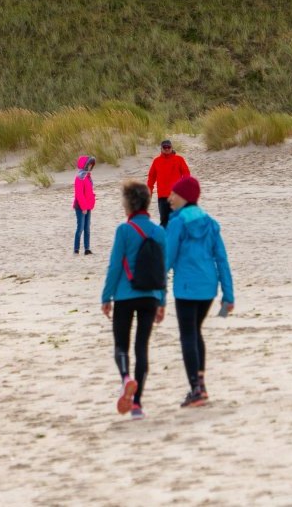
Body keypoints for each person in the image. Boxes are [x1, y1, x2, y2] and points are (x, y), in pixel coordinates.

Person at [165, 175, 234, 408]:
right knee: (195, 331)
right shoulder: (210, 222)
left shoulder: (177, 223)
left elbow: (167, 258)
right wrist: (228, 295)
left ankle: (196, 389)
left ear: (184, 197)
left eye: (173, 193)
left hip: (186, 287)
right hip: (208, 288)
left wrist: (156, 288)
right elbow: (221, 260)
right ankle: (200, 386)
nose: (169, 198)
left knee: (188, 335)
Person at [101, 180, 167, 421]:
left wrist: (106, 296)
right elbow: (162, 269)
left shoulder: (124, 230)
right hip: (150, 295)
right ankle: (137, 405)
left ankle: (126, 378)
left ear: (128, 204)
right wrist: (162, 301)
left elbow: (115, 265)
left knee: (121, 345)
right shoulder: (159, 231)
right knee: (142, 348)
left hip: (125, 295)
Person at [146, 139, 190, 226]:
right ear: (161, 148)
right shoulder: (156, 161)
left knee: (178, 221)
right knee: (164, 221)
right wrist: (148, 194)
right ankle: (163, 239)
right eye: (164, 147)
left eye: (168, 147)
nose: (167, 149)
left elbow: (186, 175)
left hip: (176, 196)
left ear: (172, 148)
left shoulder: (179, 159)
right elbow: (151, 179)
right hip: (162, 197)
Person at [72, 154, 96, 255]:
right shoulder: (79, 178)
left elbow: (89, 192)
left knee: (87, 228)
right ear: (85, 165)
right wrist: (84, 207)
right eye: (89, 164)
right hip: (80, 207)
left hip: (88, 206)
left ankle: (87, 249)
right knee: (80, 228)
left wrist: (92, 200)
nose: (90, 166)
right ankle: (76, 249)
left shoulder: (88, 177)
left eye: (91, 165)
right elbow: (79, 194)